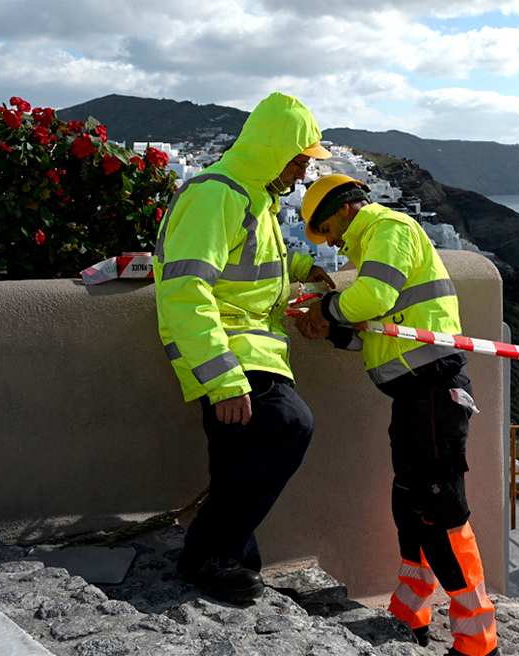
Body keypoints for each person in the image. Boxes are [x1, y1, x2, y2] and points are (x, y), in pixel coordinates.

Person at [295, 174, 499, 656]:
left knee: (441, 509)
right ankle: (411, 614)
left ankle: (478, 642)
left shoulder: (390, 228)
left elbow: (374, 300)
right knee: (410, 505)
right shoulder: (372, 248)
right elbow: (384, 333)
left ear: (346, 209)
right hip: (412, 400)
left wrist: (325, 308)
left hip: (434, 394)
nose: (336, 244)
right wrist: (334, 333)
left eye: (331, 231)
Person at [152, 92, 335, 604]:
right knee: (287, 424)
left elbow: (250, 265)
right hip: (230, 353)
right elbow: (185, 290)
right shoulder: (217, 194)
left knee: (235, 462)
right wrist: (224, 378)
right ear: (274, 151)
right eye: (299, 160)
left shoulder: (253, 198)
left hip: (243, 349)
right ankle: (205, 555)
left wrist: (303, 270)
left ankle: (232, 564)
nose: (302, 173)